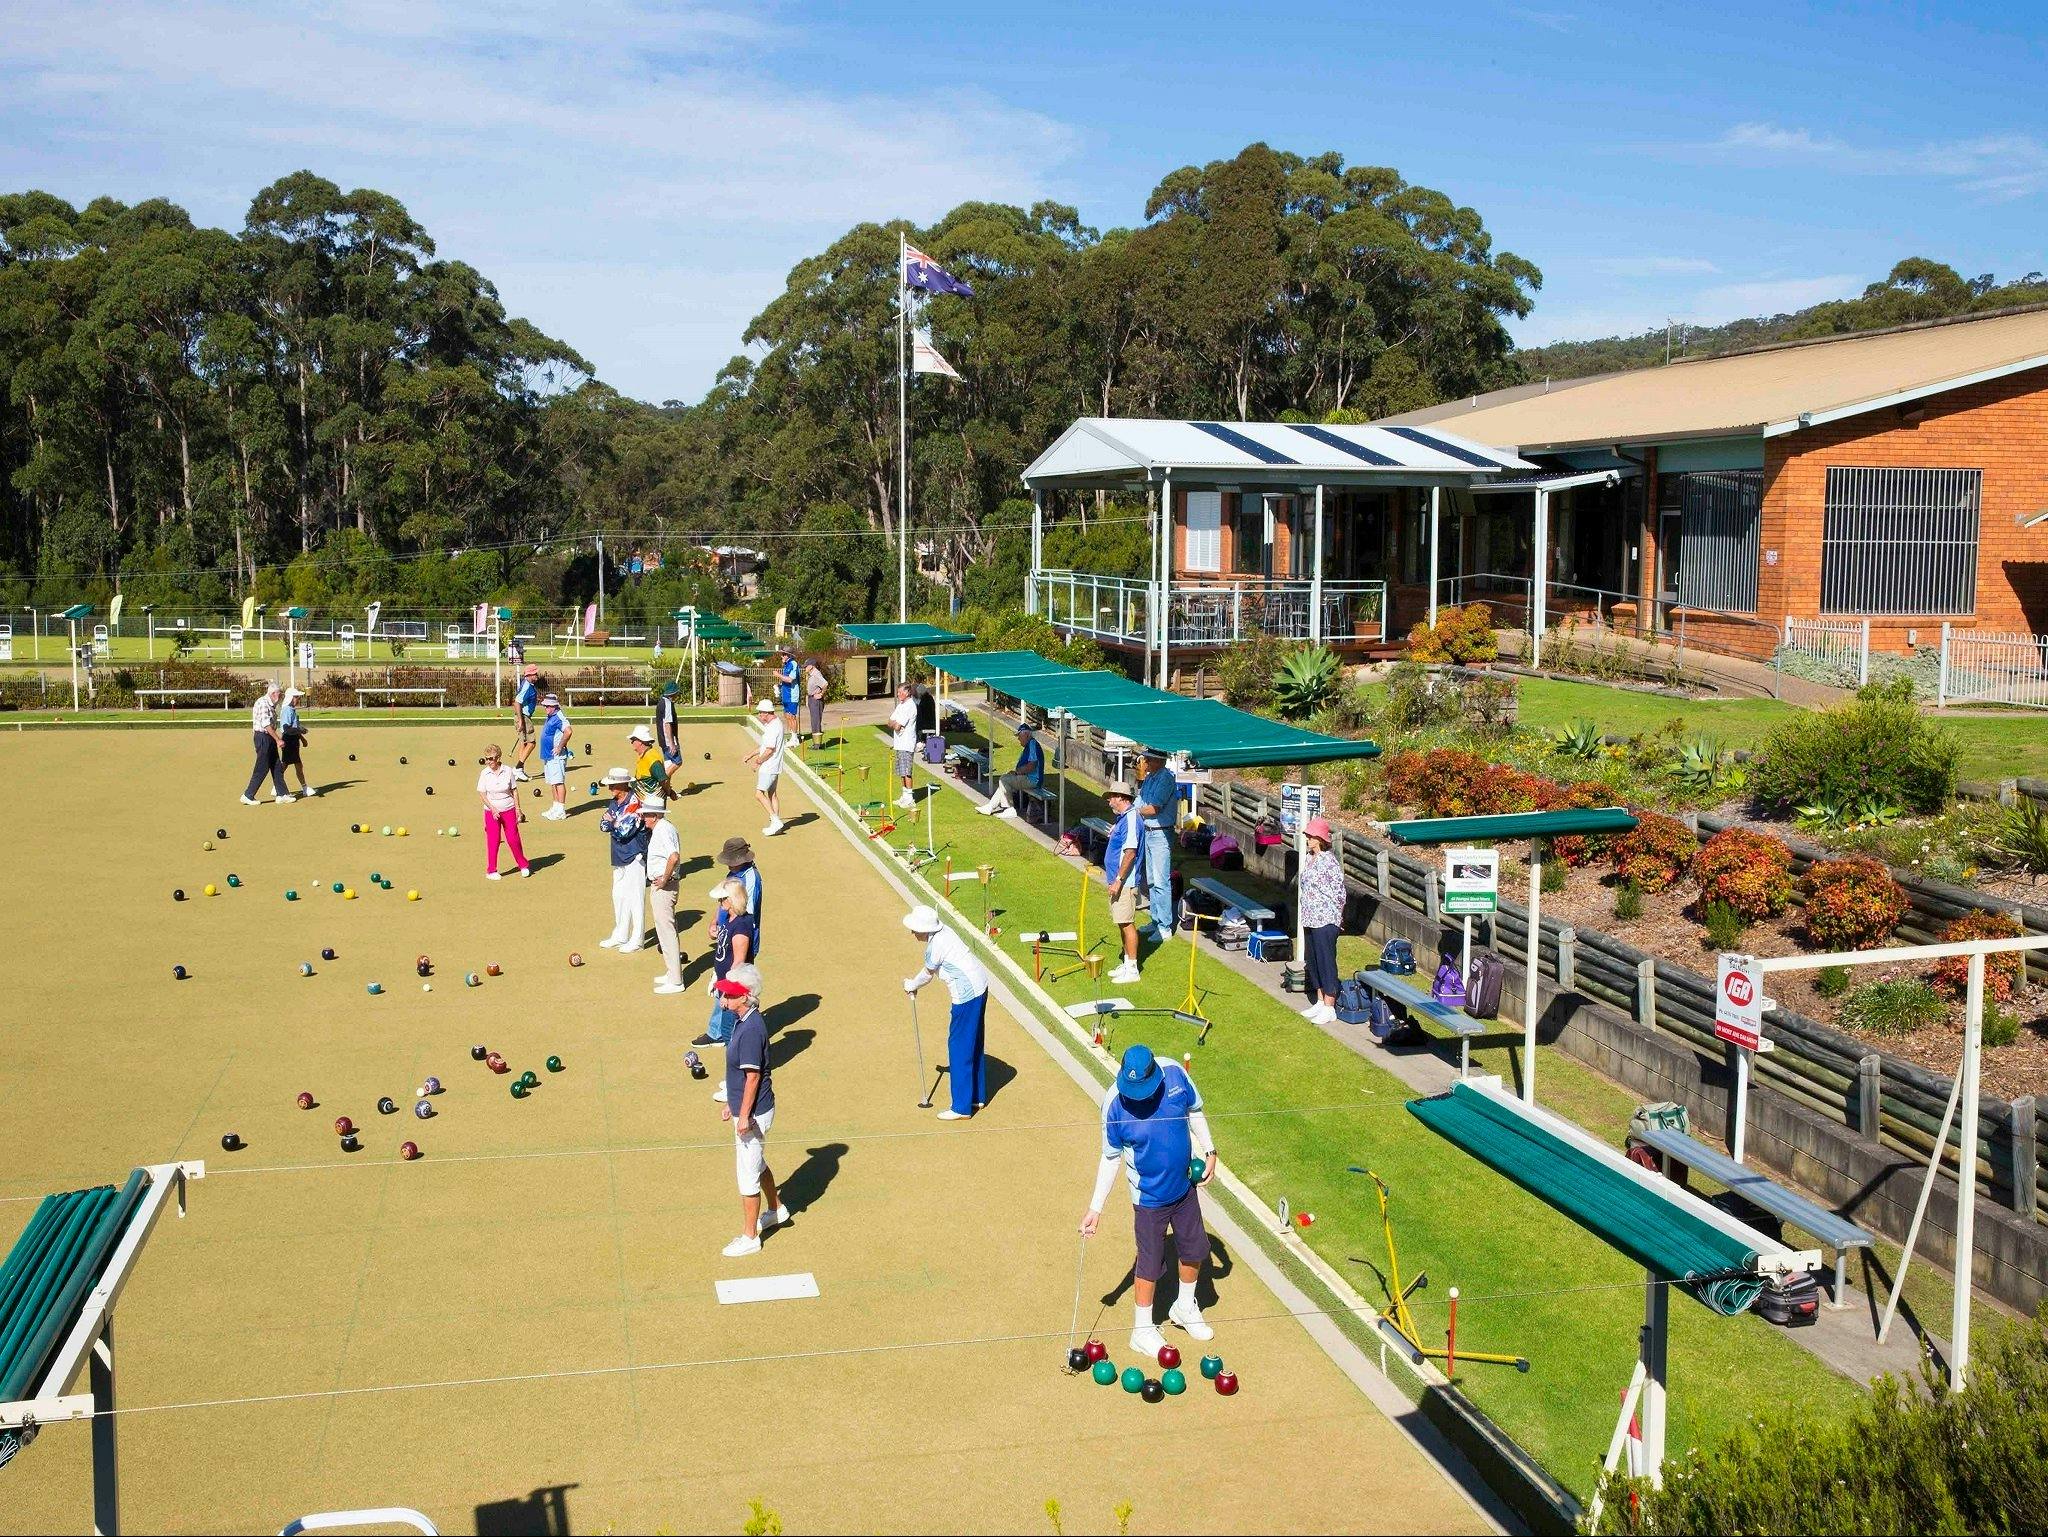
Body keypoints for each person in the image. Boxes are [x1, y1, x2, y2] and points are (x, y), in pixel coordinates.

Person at [1080, 1043, 1219, 1358]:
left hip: (1184, 1187)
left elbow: (1194, 1110)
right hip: (1148, 1200)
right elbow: (1110, 1157)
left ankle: (1184, 1307)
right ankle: (1141, 1331)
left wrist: (1209, 1150)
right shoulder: (1114, 1103)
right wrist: (1095, 1208)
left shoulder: (1174, 1074)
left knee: (1194, 1248)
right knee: (1149, 1263)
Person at [716, 962, 787, 1257]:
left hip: (755, 1113)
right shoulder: (744, 1022)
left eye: (730, 996)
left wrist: (743, 1115)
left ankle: (750, 1237)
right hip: (749, 1108)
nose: (724, 1000)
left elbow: (753, 1077)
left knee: (747, 1174)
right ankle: (776, 1209)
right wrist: (733, 1106)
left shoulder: (751, 1030)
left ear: (746, 997)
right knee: (757, 1164)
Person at [902, 905, 990, 1120]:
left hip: (966, 996)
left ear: (925, 929)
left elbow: (927, 974)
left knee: (959, 1047)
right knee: (974, 1043)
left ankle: (961, 1107)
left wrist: (912, 984)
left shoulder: (935, 946)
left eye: (915, 929)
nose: (912, 933)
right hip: (981, 986)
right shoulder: (945, 932)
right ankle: (977, 1096)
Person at [695, 878, 758, 1075]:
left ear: (731, 900)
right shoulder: (729, 919)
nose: (719, 903)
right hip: (724, 983)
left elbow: (738, 962)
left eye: (722, 900)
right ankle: (734, 1078)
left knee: (732, 1035)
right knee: (727, 1032)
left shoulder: (741, 926)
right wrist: (716, 974)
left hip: (734, 989)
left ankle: (737, 1079)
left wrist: (727, 992)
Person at [1298, 816, 1345, 1025]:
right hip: (1310, 917)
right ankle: (1319, 1000)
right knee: (1314, 960)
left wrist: (1336, 916)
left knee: (1326, 961)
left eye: (1311, 835)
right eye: (1308, 835)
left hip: (1326, 919)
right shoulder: (1309, 858)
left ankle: (1329, 1005)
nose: (1307, 838)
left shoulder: (1329, 861)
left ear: (1320, 838)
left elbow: (1339, 892)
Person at [598, 766, 649, 952]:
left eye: (612, 785)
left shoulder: (635, 803)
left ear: (623, 784)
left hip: (634, 855)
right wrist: (613, 823)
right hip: (618, 855)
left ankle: (637, 939)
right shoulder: (614, 802)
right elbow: (603, 825)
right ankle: (620, 934)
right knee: (618, 896)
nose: (609, 789)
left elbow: (624, 830)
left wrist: (612, 822)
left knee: (635, 899)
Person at [1101, 781, 1145, 985]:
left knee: (1127, 923)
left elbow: (1130, 853)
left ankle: (1133, 969)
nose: (1109, 800)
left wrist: (1118, 880)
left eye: (1111, 796)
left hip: (1125, 881)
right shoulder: (1123, 819)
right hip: (1118, 879)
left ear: (1121, 797)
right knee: (1121, 921)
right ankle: (1127, 962)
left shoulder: (1131, 819)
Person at [1136, 748, 1180, 938]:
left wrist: (1132, 813)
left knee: (1161, 881)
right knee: (1152, 880)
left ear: (1158, 761)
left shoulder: (1165, 779)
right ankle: (1155, 921)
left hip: (1161, 834)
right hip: (1148, 832)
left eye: (1148, 759)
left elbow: (1154, 808)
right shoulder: (1150, 777)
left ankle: (1165, 927)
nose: (1144, 762)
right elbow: (1140, 800)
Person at [644, 795, 684, 994]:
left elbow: (674, 857)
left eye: (646, 815)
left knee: (666, 931)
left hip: (664, 887)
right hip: (662, 884)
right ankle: (671, 973)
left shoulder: (663, 830)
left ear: (654, 815)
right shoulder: (662, 828)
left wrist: (665, 879)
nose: (643, 818)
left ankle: (676, 981)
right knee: (665, 930)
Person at [476, 743, 531, 879]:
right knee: (493, 840)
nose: (489, 762)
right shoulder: (484, 773)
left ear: (498, 758)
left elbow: (514, 790)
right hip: (491, 812)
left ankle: (523, 865)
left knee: (513, 839)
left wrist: (518, 808)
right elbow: (482, 793)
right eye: (487, 758)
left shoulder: (508, 771)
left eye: (491, 758)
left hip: (508, 809)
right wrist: (492, 808)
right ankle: (491, 870)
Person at [977, 723, 1045, 819]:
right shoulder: (1029, 745)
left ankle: (1009, 809)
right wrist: (1016, 773)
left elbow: (1032, 765)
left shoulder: (1032, 744)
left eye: (1019, 736)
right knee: (1004, 780)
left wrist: (1017, 772)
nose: (1018, 739)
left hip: (1033, 780)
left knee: (1004, 780)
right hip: (1028, 777)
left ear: (1026, 735)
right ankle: (990, 807)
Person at [241, 681, 293, 805]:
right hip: (263, 737)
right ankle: (248, 795)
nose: (280, 697)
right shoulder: (263, 703)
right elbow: (266, 724)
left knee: (276, 765)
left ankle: (282, 794)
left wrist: (274, 738)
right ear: (273, 694)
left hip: (268, 737)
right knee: (262, 767)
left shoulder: (271, 704)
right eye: (279, 695)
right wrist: (278, 739)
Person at [745, 697, 787, 836]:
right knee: (772, 794)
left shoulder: (773, 728)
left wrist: (758, 762)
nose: (759, 716)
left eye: (761, 713)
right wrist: (750, 754)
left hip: (769, 766)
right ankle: (776, 823)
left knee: (759, 794)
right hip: (775, 766)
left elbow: (769, 750)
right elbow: (764, 747)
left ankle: (775, 821)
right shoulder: (775, 724)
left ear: (767, 713)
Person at [718, 836, 763, 954]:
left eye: (731, 861)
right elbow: (724, 903)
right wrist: (716, 922)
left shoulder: (751, 878)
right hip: (728, 933)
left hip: (743, 936)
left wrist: (732, 931)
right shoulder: (732, 874)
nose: (728, 864)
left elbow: (748, 914)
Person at [537, 694, 573, 819]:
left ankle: (561, 810)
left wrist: (560, 746)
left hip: (556, 756)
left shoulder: (559, 717)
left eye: (547, 706)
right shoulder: (550, 716)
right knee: (553, 782)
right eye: (545, 705)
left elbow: (568, 731)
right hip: (548, 755)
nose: (545, 707)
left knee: (558, 782)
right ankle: (555, 807)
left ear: (554, 706)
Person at [279, 686, 316, 797]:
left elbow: (294, 727)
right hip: (288, 740)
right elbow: (287, 728)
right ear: (290, 698)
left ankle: (277, 786)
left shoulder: (292, 710)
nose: (298, 699)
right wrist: (300, 730)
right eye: (296, 697)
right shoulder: (287, 710)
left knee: (293, 765)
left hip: (294, 740)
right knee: (288, 765)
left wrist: (302, 738)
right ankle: (304, 788)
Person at [888, 682, 918, 811]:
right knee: (901, 771)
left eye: (901, 692)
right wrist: (894, 724)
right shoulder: (901, 705)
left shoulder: (910, 706)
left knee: (907, 771)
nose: (898, 694)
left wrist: (895, 724)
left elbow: (898, 725)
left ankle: (910, 799)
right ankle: (904, 796)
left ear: (908, 693)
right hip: (899, 743)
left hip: (907, 743)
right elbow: (890, 722)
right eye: (898, 692)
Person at [511, 664, 541, 780]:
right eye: (535, 673)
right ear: (529, 675)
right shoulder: (527, 686)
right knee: (532, 743)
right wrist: (520, 720)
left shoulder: (528, 685)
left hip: (524, 716)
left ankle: (519, 771)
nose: (537, 675)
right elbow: (517, 702)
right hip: (524, 717)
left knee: (523, 743)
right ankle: (518, 768)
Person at [654, 681, 683, 792]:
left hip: (662, 740)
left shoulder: (661, 701)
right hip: (668, 740)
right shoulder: (668, 704)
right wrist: (672, 743)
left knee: (668, 764)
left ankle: (666, 790)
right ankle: (660, 784)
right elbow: (667, 724)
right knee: (677, 762)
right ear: (673, 693)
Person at [628, 723, 666, 797]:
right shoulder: (644, 755)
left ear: (640, 742)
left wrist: (669, 792)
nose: (631, 742)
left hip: (651, 802)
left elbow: (663, 780)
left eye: (633, 740)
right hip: (643, 799)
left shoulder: (651, 758)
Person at [776, 646, 800, 741]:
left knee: (791, 716)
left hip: (792, 694)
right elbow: (785, 680)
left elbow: (790, 679)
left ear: (787, 655)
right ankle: (792, 737)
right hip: (786, 694)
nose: (781, 656)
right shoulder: (786, 665)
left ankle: (795, 739)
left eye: (782, 654)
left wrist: (778, 675)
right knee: (786, 715)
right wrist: (779, 686)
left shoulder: (793, 664)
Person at [804, 657, 829, 744]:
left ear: (811, 666)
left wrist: (821, 694)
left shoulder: (816, 674)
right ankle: (816, 742)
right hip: (812, 699)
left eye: (806, 666)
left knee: (816, 721)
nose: (805, 668)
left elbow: (825, 684)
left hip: (816, 700)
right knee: (814, 720)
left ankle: (817, 744)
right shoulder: (811, 675)